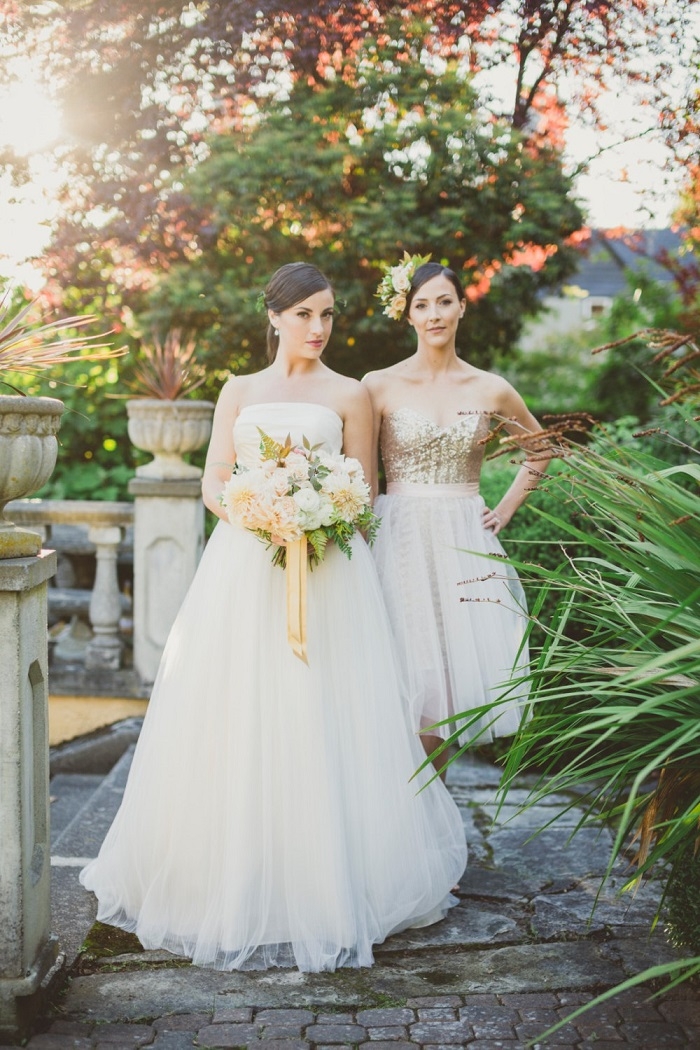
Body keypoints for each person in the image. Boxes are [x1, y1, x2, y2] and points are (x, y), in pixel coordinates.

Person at [80, 262, 466, 973]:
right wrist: (260, 512)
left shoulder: (351, 395)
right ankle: (232, 878)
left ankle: (329, 879)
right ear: (275, 317)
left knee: (325, 711)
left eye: (327, 316)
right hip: (244, 567)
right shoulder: (239, 390)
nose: (317, 329)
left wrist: (318, 514)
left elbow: (364, 491)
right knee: (237, 710)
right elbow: (214, 477)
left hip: (329, 575)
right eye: (304, 316)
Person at [363, 257, 551, 774]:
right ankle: (402, 812)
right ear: (407, 315)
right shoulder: (378, 386)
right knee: (404, 678)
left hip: (464, 541)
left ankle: (432, 808)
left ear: (462, 308)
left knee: (448, 690)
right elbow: (362, 474)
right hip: (398, 538)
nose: (434, 314)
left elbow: (542, 450)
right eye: (421, 305)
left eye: (444, 302)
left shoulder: (491, 388)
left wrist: (505, 510)